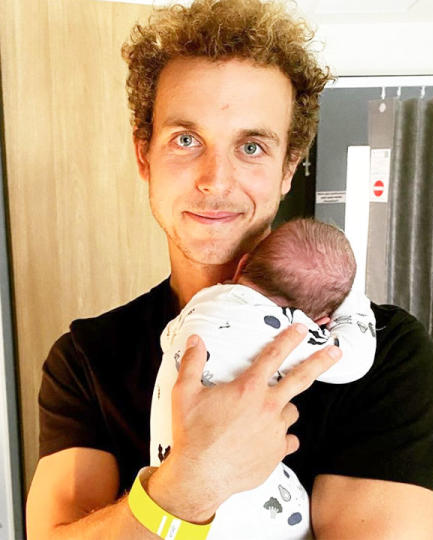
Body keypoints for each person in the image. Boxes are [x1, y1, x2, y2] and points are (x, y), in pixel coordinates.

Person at [26, 1, 433, 538]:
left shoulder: (382, 354)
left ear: (288, 168)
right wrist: (189, 484)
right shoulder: (86, 358)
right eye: (186, 139)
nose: (216, 180)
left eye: (251, 146)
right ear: (143, 155)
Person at [149, 218, 377, 539]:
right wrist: (354, 303)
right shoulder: (286, 330)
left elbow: (165, 340)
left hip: (170, 496)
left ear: (242, 264)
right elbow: (352, 358)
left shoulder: (200, 303)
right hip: (235, 509)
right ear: (318, 321)